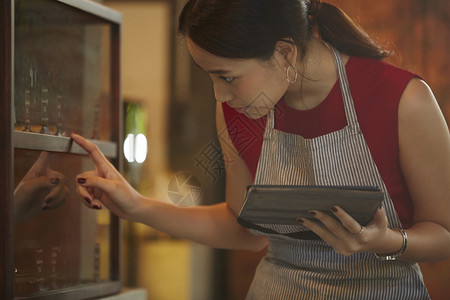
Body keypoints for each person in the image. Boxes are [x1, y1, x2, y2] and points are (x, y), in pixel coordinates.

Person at [71, 0, 450, 298]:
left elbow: (443, 234)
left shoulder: (403, 100)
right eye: (212, 77)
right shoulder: (237, 110)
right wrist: (137, 206)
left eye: (227, 76)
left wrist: (386, 242)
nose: (220, 95)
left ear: (286, 53)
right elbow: (246, 229)